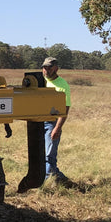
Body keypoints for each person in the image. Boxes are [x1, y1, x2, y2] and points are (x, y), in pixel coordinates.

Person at [42, 56, 71, 184]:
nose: (46, 70)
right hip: (38, 121)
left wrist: (57, 128)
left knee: (49, 154)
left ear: (56, 69)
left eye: (49, 68)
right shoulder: (40, 82)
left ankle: (47, 182)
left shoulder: (63, 85)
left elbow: (65, 108)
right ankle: (58, 176)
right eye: (44, 67)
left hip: (52, 123)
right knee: (42, 154)